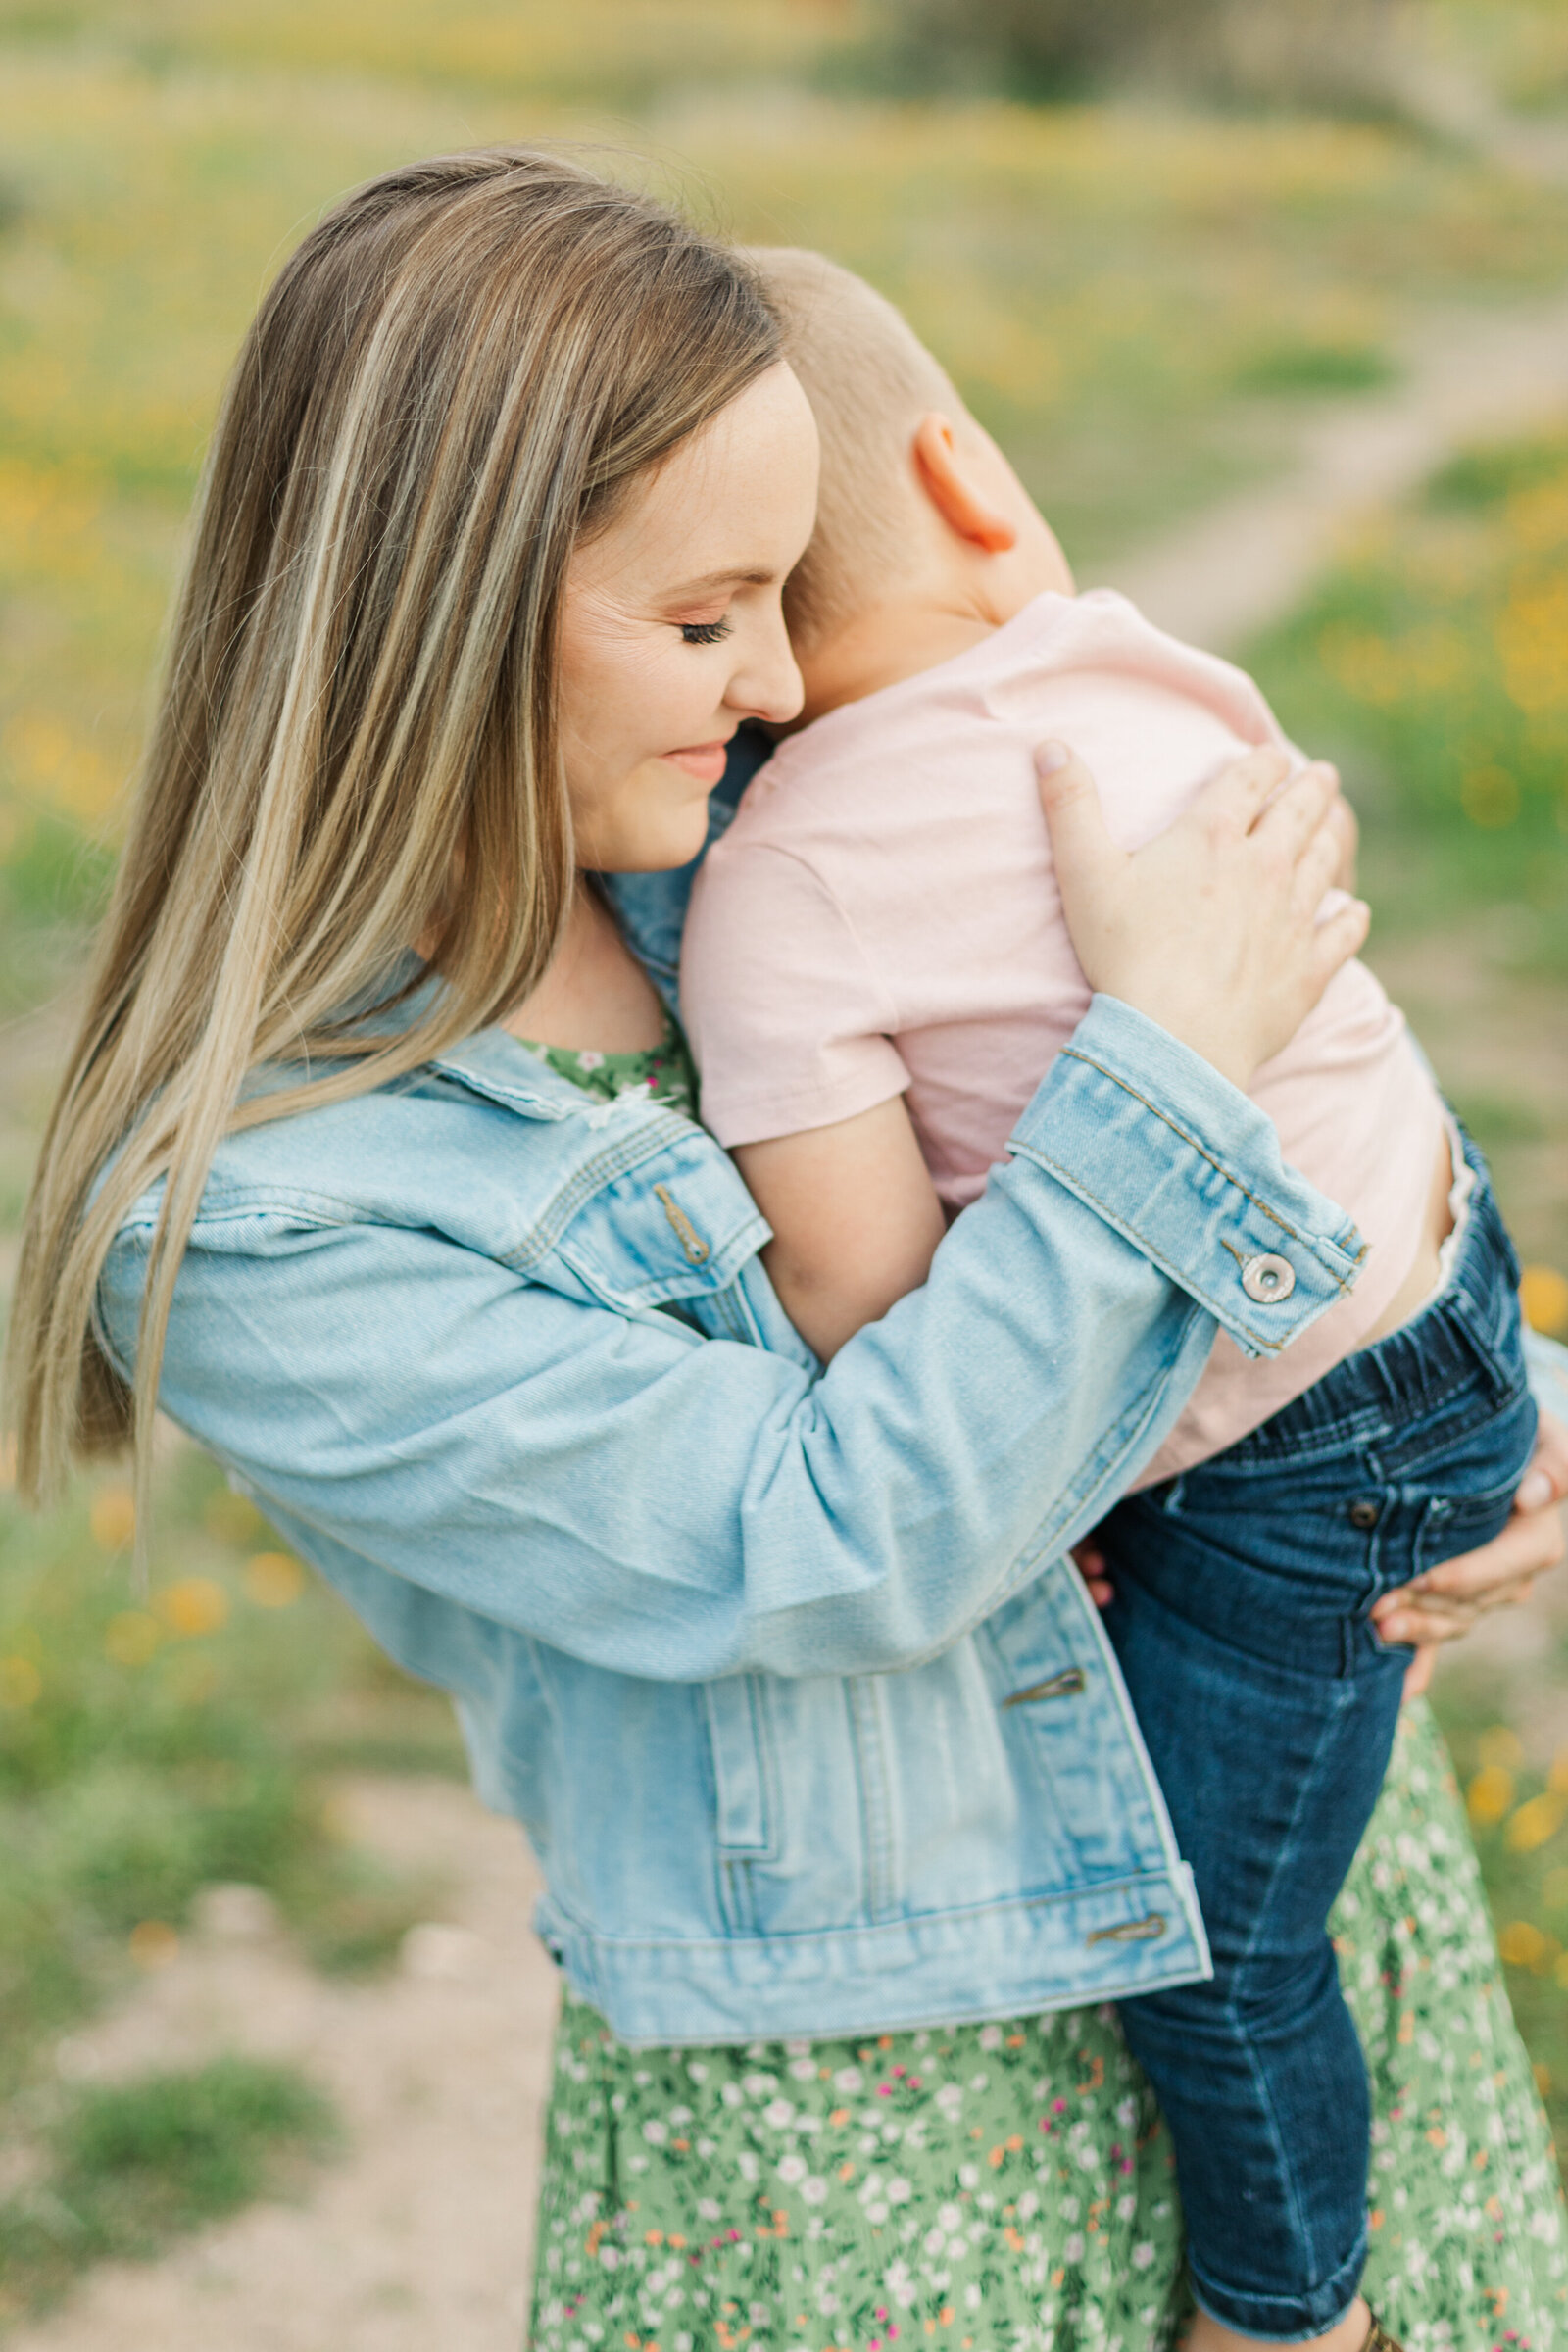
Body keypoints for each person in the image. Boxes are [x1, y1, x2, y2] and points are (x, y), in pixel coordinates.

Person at [4, 152, 1564, 2352]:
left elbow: (1281, 1102)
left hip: (1279, 1922)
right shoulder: (267, 1209)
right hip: (872, 2133)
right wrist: (1161, 1068)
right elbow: (825, 1535)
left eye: (780, 601)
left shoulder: (751, 844)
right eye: (703, 613)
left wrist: (1487, 1400)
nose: (775, 682)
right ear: (443, 607)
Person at [678, 249, 1548, 2352]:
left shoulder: (775, 891)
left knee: (1205, 1936)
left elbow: (867, 1298)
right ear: (968, 476)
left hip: (1287, 1432)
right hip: (1449, 1284)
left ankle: (1279, 2314)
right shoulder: (1141, 672)